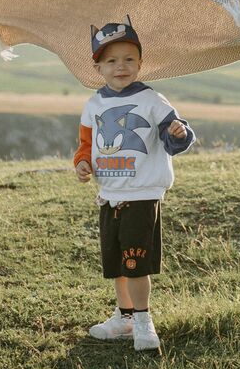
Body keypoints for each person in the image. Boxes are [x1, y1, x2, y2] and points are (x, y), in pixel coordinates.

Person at [73, 18, 195, 351]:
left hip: (143, 194)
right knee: (116, 263)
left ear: (141, 63)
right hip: (109, 195)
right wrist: (83, 163)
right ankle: (124, 317)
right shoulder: (94, 104)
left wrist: (178, 134)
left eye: (129, 59)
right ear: (98, 67)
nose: (121, 67)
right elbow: (87, 144)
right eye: (111, 61)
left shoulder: (152, 100)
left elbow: (177, 131)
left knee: (135, 262)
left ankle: (143, 321)